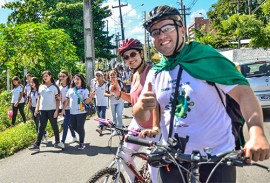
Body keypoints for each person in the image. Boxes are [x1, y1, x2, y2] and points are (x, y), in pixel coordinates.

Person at [133, 5, 270, 183]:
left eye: (166, 28)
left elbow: (244, 95)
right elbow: (140, 115)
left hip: (216, 158)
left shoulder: (205, 58)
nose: (161, 36)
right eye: (155, 32)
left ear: (182, 30)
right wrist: (142, 106)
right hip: (173, 159)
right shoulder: (156, 72)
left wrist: (257, 132)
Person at [110, 38, 161, 183]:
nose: (130, 59)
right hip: (138, 123)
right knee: (125, 155)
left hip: (155, 127)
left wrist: (156, 127)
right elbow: (134, 100)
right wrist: (118, 93)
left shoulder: (151, 72)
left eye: (133, 54)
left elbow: (155, 102)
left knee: (154, 167)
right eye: (126, 57)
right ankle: (136, 180)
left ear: (141, 53)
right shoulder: (134, 75)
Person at [29, 71, 61, 151]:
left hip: (52, 110)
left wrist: (57, 110)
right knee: (41, 127)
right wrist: (37, 108)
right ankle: (37, 145)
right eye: (43, 77)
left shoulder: (55, 87)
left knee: (54, 126)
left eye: (46, 76)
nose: (45, 78)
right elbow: (39, 98)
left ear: (50, 76)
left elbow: (58, 100)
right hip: (42, 110)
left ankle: (57, 141)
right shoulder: (41, 87)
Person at [62, 74, 95, 150]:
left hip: (81, 112)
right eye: (75, 79)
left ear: (81, 81)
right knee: (73, 126)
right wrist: (63, 109)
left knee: (80, 127)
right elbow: (67, 100)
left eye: (78, 79)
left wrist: (91, 97)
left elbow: (86, 102)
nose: (76, 81)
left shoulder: (84, 90)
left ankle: (81, 143)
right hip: (72, 112)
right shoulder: (70, 90)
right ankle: (82, 135)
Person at [57, 70, 77, 149]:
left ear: (67, 77)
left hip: (69, 108)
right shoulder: (59, 86)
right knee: (69, 124)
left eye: (63, 76)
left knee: (65, 125)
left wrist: (64, 109)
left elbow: (69, 99)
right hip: (62, 108)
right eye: (60, 76)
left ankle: (62, 142)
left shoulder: (70, 87)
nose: (61, 78)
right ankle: (74, 137)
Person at [104, 69, 125, 136]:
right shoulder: (107, 84)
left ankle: (120, 128)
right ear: (109, 76)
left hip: (120, 101)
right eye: (111, 75)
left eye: (114, 75)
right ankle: (116, 130)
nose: (112, 76)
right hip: (112, 102)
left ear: (116, 75)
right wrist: (109, 95)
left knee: (118, 114)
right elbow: (104, 93)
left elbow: (125, 90)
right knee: (114, 116)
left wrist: (120, 95)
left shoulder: (120, 82)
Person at [27, 77, 48, 142]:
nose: (31, 84)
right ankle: (44, 133)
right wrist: (27, 112)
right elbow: (30, 102)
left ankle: (38, 139)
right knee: (36, 124)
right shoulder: (30, 92)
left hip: (39, 109)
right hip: (32, 109)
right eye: (31, 82)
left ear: (36, 83)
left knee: (38, 125)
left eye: (33, 82)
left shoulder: (39, 90)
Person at [93, 71, 108, 135]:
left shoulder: (106, 84)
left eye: (99, 75)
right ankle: (105, 124)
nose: (98, 77)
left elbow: (108, 92)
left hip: (104, 102)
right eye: (97, 75)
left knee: (102, 114)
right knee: (99, 115)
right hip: (97, 102)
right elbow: (93, 92)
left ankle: (101, 128)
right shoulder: (95, 84)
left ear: (102, 76)